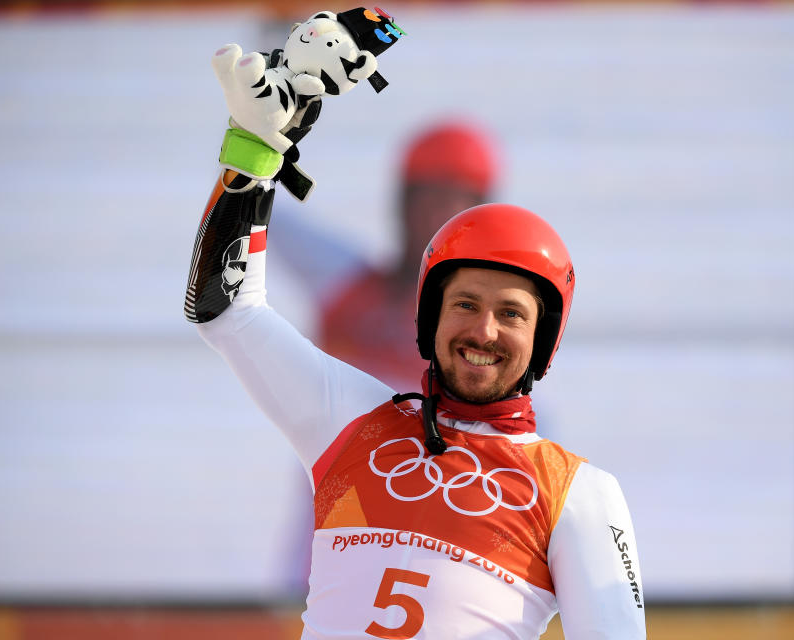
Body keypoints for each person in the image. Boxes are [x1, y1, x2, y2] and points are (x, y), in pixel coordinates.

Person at [185, 38, 646, 640]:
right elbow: (224, 310)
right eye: (465, 304)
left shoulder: (580, 493)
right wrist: (254, 151)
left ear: (544, 339)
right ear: (430, 317)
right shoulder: (349, 417)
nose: (484, 329)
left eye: (511, 314)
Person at [270, 121, 498, 391]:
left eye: (454, 206)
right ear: (403, 205)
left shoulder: (488, 337)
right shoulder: (345, 282)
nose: (437, 219)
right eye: (428, 201)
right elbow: (258, 203)